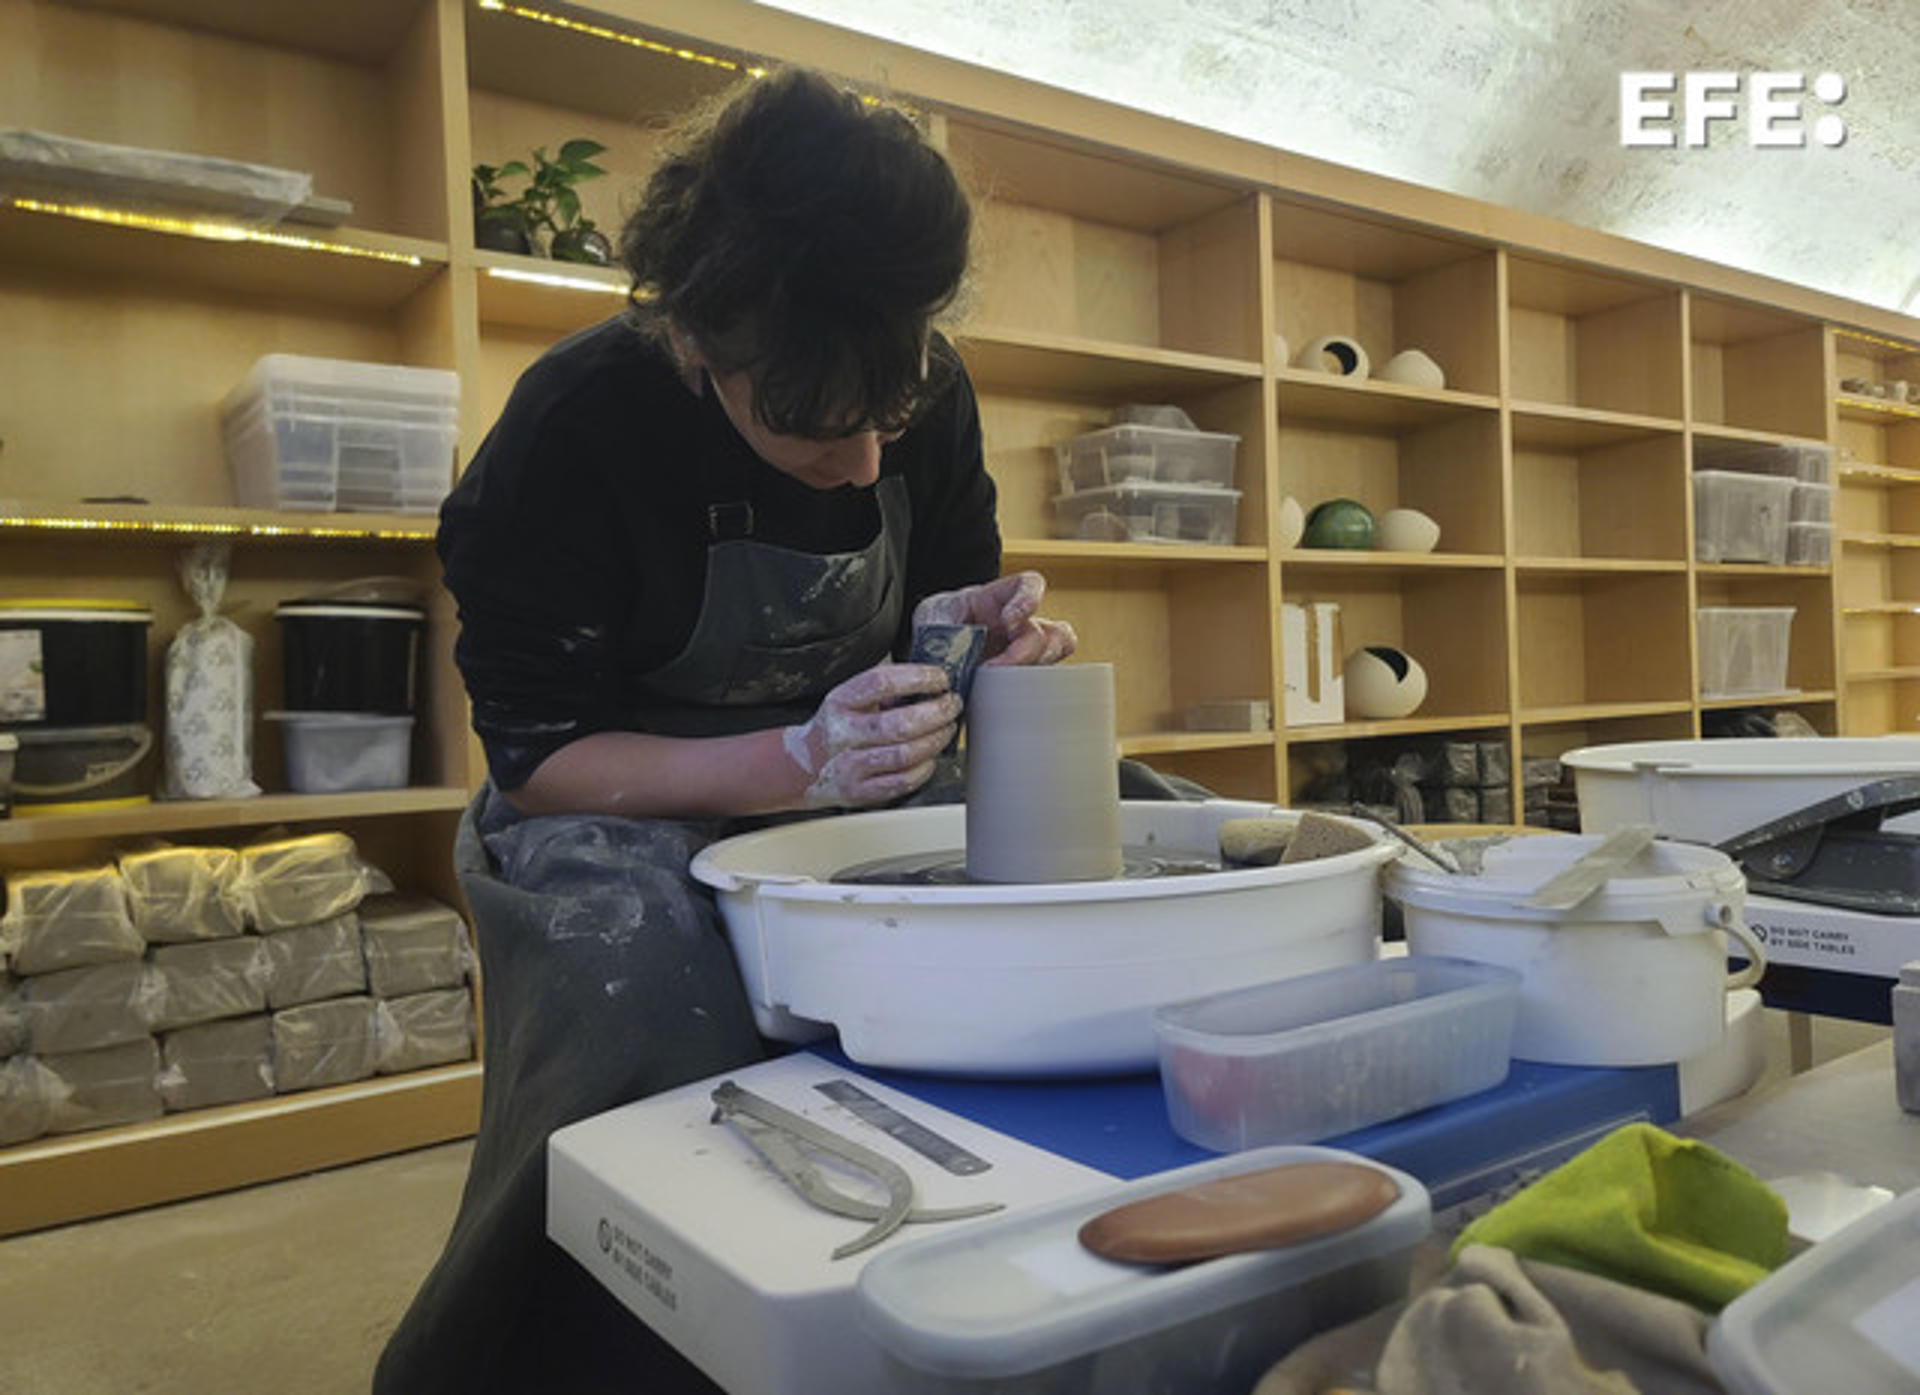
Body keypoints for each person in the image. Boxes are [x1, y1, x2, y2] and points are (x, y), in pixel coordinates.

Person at [373, 68, 1075, 1395]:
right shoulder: (574, 430)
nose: (867, 462)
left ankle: (1019, 1285)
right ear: (699, 341)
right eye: (813, 428)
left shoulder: (913, 383)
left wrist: (995, 659)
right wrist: (788, 762)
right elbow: (537, 760)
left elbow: (942, 619)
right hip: (623, 792)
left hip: (862, 766)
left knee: (1145, 849)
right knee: (639, 986)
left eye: (894, 416)